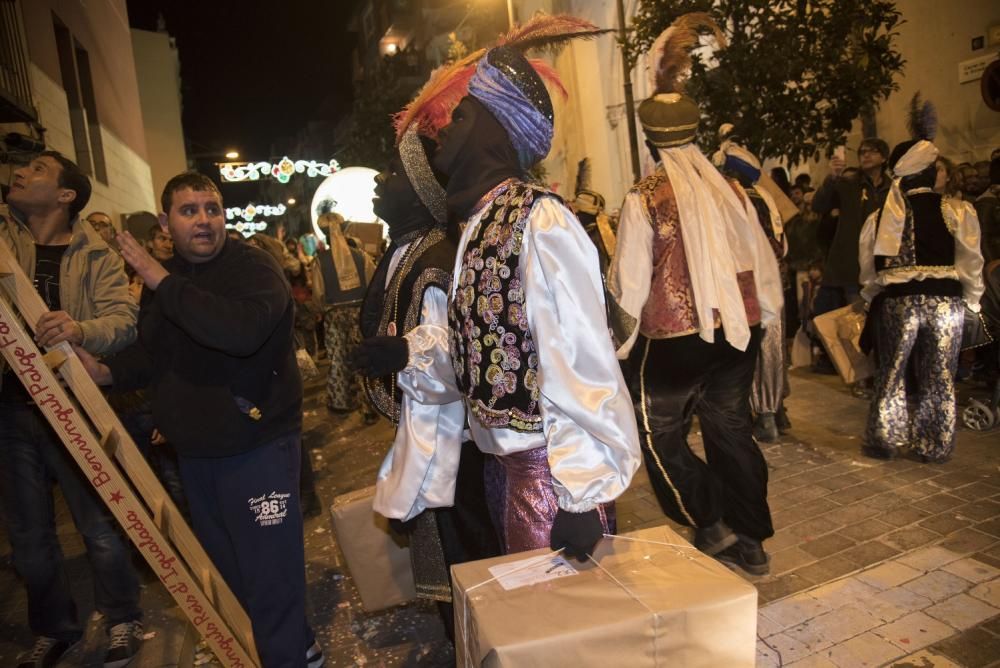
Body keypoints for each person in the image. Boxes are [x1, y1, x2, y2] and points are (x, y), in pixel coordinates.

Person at [75, 172, 323, 668]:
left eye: (212, 208)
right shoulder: (164, 280)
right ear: (167, 221)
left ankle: (287, 658)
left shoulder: (253, 268)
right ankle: (298, 646)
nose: (204, 220)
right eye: (189, 211)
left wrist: (160, 279)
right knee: (233, 575)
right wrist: (104, 371)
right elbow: (154, 353)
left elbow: (240, 332)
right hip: (196, 453)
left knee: (271, 575)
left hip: (257, 445)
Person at [430, 15, 641, 560]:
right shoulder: (480, 224)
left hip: (550, 484)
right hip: (508, 474)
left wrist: (580, 493)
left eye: (461, 116)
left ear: (493, 129)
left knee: (569, 634)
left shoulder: (539, 221)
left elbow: (580, 359)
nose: (446, 130)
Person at [607, 14, 783, 576]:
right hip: (739, 334)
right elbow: (760, 258)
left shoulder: (643, 197)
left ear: (650, 139)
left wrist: (614, 343)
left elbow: (630, 285)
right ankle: (752, 539)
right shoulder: (731, 187)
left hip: (677, 343)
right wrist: (766, 319)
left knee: (655, 432)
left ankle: (710, 521)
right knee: (731, 429)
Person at [352, 120, 499, 637]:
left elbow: (456, 359)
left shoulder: (434, 260)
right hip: (425, 433)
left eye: (392, 172)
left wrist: (403, 353)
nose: (378, 181)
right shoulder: (406, 251)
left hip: (451, 447)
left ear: (418, 190)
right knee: (443, 567)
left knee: (468, 569)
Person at [0, 151, 143, 668]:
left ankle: (123, 616)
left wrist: (80, 330)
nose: (19, 173)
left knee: (99, 525)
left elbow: (123, 319)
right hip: (11, 409)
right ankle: (54, 628)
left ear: (65, 195)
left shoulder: (96, 253)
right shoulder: (3, 239)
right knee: (29, 536)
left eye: (37, 168)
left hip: (71, 403)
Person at [859, 96, 984, 463]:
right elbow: (970, 262)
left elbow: (869, 269)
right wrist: (973, 301)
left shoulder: (880, 217)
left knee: (892, 370)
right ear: (931, 172)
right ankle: (933, 444)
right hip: (946, 303)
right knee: (940, 374)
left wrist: (871, 297)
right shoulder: (958, 210)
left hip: (898, 302)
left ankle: (885, 438)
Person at [714, 134, 791, 442]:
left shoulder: (724, 198)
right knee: (773, 347)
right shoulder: (766, 198)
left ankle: (757, 413)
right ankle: (775, 410)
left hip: (740, 285)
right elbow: (782, 245)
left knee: (746, 348)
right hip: (771, 280)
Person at [811, 137, 891, 317]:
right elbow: (819, 205)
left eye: (872, 151)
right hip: (850, 268)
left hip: (881, 266)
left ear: (884, 158)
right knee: (855, 322)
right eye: (862, 152)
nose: (866, 155)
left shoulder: (892, 190)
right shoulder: (849, 185)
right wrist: (832, 177)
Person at [311, 209, 377, 422]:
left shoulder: (320, 260)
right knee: (362, 357)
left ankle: (341, 402)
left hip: (335, 316)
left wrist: (321, 309)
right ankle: (369, 406)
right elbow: (373, 283)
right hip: (360, 312)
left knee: (338, 360)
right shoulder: (362, 256)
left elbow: (319, 294)